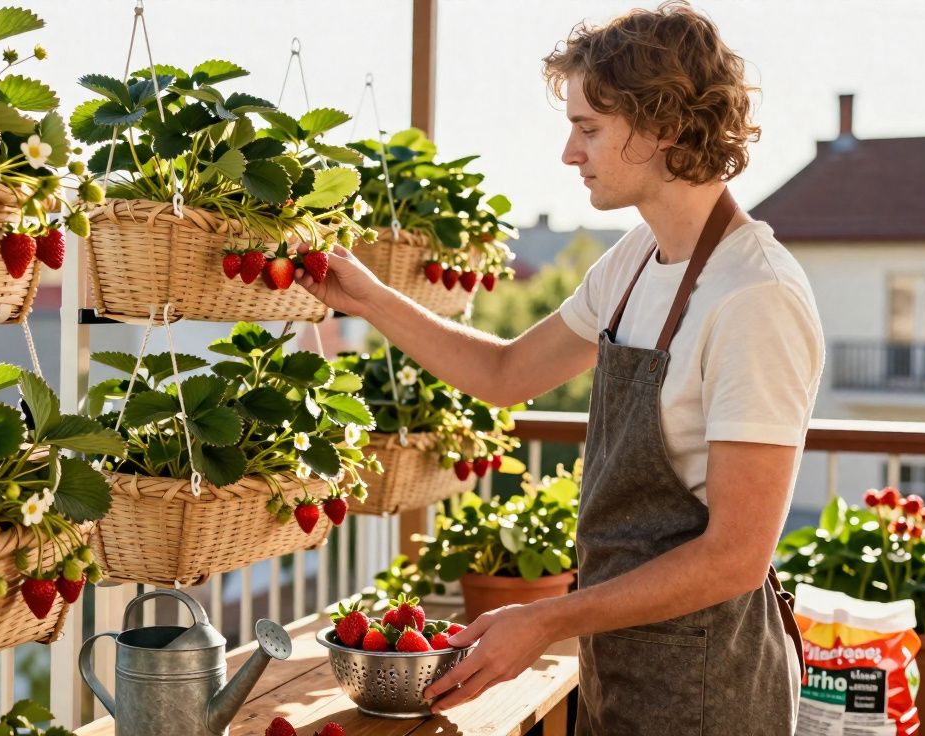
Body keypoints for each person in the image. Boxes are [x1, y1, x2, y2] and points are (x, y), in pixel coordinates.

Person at [295, 2, 825, 733]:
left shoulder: (755, 296)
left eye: (589, 128)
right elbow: (506, 373)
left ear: (665, 127)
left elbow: (735, 557)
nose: (569, 153)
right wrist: (366, 297)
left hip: (712, 690)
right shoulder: (635, 261)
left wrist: (546, 619)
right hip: (618, 668)